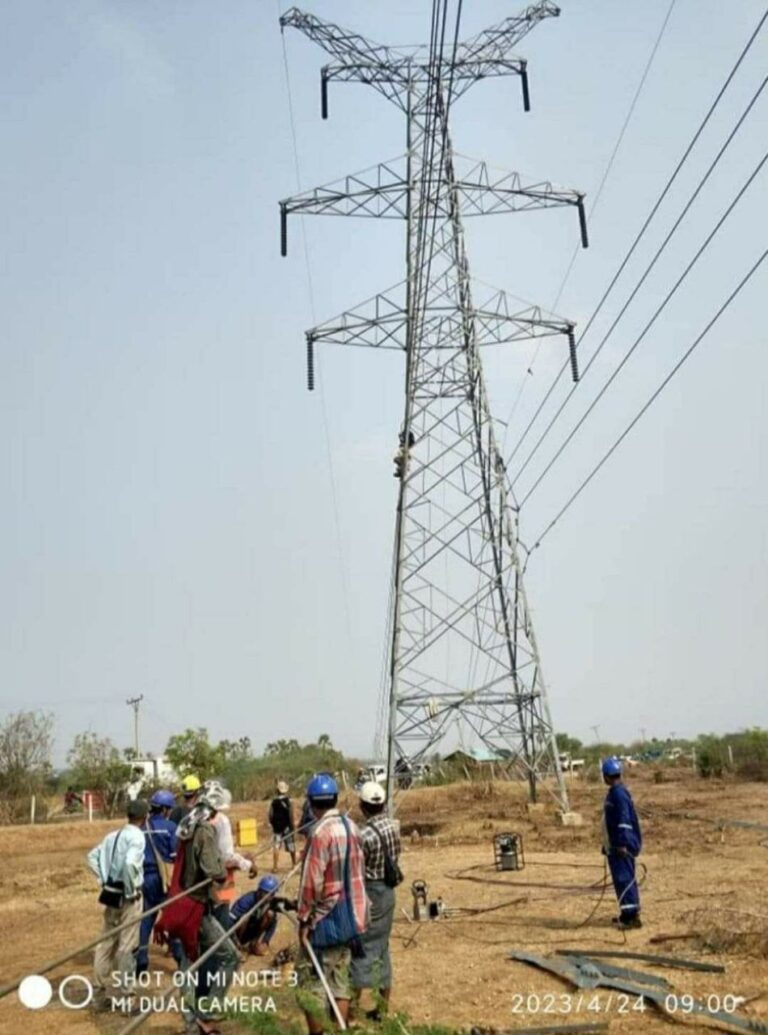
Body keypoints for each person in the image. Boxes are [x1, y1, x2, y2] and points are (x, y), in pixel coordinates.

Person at [296, 773, 368, 1034]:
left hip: (326, 919)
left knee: (310, 984)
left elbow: (310, 883)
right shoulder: (353, 827)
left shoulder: (320, 834)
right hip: (353, 918)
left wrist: (304, 919)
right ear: (335, 799)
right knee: (340, 982)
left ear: (312, 804)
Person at [174, 788, 240, 1035]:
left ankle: (191, 1022)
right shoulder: (205, 830)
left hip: (181, 902)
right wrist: (224, 872)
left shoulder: (186, 825)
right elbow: (214, 869)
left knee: (188, 961)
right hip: (196, 908)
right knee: (230, 956)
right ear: (212, 809)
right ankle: (207, 1014)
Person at [87, 799, 148, 1011]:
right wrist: (131, 890)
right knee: (126, 947)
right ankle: (127, 998)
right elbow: (131, 863)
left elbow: (92, 857)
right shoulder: (137, 837)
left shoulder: (112, 836)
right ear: (144, 817)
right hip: (128, 897)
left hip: (111, 895)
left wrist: (104, 880)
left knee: (105, 944)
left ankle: (99, 995)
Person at [350, 782, 401, 1020]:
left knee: (361, 947)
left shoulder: (364, 835)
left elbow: (358, 870)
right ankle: (382, 1009)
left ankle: (349, 1008)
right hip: (389, 892)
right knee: (382, 947)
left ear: (363, 806)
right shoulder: (394, 826)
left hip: (371, 893)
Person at [202, 779, 258, 927]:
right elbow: (226, 857)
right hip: (219, 881)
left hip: (198, 882)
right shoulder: (221, 821)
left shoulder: (193, 819)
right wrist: (247, 864)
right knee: (220, 925)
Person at [136, 789, 178, 975]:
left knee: (146, 919)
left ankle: (141, 962)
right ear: (165, 809)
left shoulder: (141, 828)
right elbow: (175, 856)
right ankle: (180, 960)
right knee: (174, 920)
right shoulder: (170, 827)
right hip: (164, 879)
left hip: (144, 878)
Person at [601, 756, 643, 929]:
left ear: (606, 776)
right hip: (615, 845)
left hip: (622, 845)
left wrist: (623, 844)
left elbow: (624, 821)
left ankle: (632, 918)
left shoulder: (619, 794)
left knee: (624, 878)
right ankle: (626, 913)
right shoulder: (615, 792)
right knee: (620, 879)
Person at [224, 875, 289, 955]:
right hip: (238, 933)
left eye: (272, 894)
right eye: (267, 894)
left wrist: (266, 941)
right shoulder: (246, 901)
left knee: (270, 914)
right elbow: (229, 921)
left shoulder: (270, 902)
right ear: (259, 891)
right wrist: (234, 941)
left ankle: (254, 942)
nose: (270, 897)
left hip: (253, 931)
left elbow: (273, 923)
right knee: (244, 918)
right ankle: (237, 946)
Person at [269, 781, 298, 870]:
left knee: (276, 846)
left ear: (277, 791)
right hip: (287, 828)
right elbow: (291, 815)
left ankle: (275, 867)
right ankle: (294, 864)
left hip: (277, 828)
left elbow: (270, 815)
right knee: (291, 845)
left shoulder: (273, 802)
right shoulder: (289, 801)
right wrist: (292, 826)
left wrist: (273, 824)